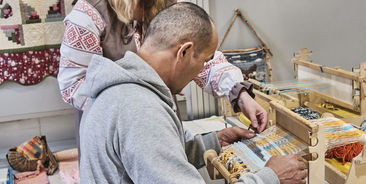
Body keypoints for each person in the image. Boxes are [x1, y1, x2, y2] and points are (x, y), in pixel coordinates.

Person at [79, 3, 307, 184]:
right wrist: (271, 179)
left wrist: (212, 143)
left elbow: (144, 165)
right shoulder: (139, 109)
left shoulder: (122, 89)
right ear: (184, 52)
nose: (202, 70)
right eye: (205, 60)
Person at [58, 0, 267, 133]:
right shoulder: (88, 15)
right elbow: (75, 86)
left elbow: (200, 57)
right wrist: (142, 112)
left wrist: (239, 93)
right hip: (116, 134)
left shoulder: (163, 5)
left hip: (159, 126)